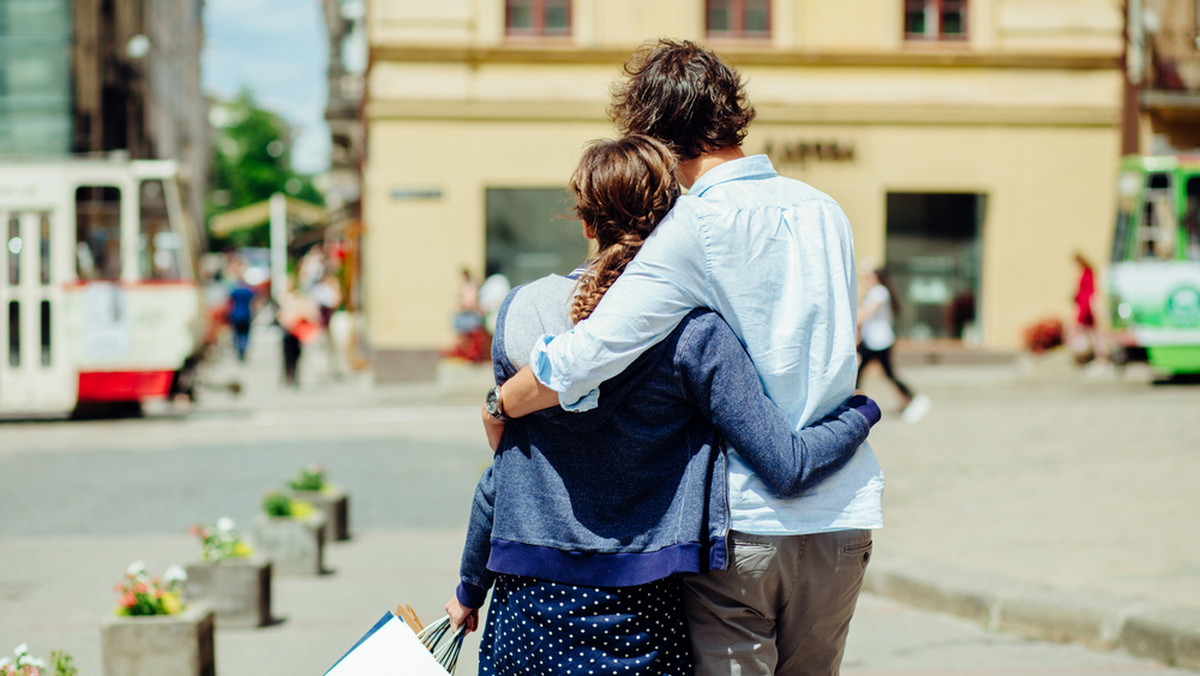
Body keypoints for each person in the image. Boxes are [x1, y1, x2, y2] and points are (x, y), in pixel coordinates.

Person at [480, 40, 881, 675]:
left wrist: (501, 400)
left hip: (742, 524)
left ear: (659, 140)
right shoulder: (826, 211)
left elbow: (586, 356)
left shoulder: (693, 225)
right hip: (842, 517)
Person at [856, 266, 930, 423]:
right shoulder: (873, 292)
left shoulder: (880, 292)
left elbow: (867, 313)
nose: (866, 280)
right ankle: (856, 402)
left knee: (887, 374)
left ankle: (912, 398)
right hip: (871, 341)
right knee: (860, 372)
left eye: (869, 277)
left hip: (880, 341)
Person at [228, 266, 257, 363]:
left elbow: (229, 301)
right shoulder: (248, 291)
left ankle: (239, 351)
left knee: (237, 334)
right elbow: (254, 302)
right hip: (246, 314)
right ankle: (243, 351)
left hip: (236, 314)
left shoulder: (235, 290)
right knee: (245, 335)